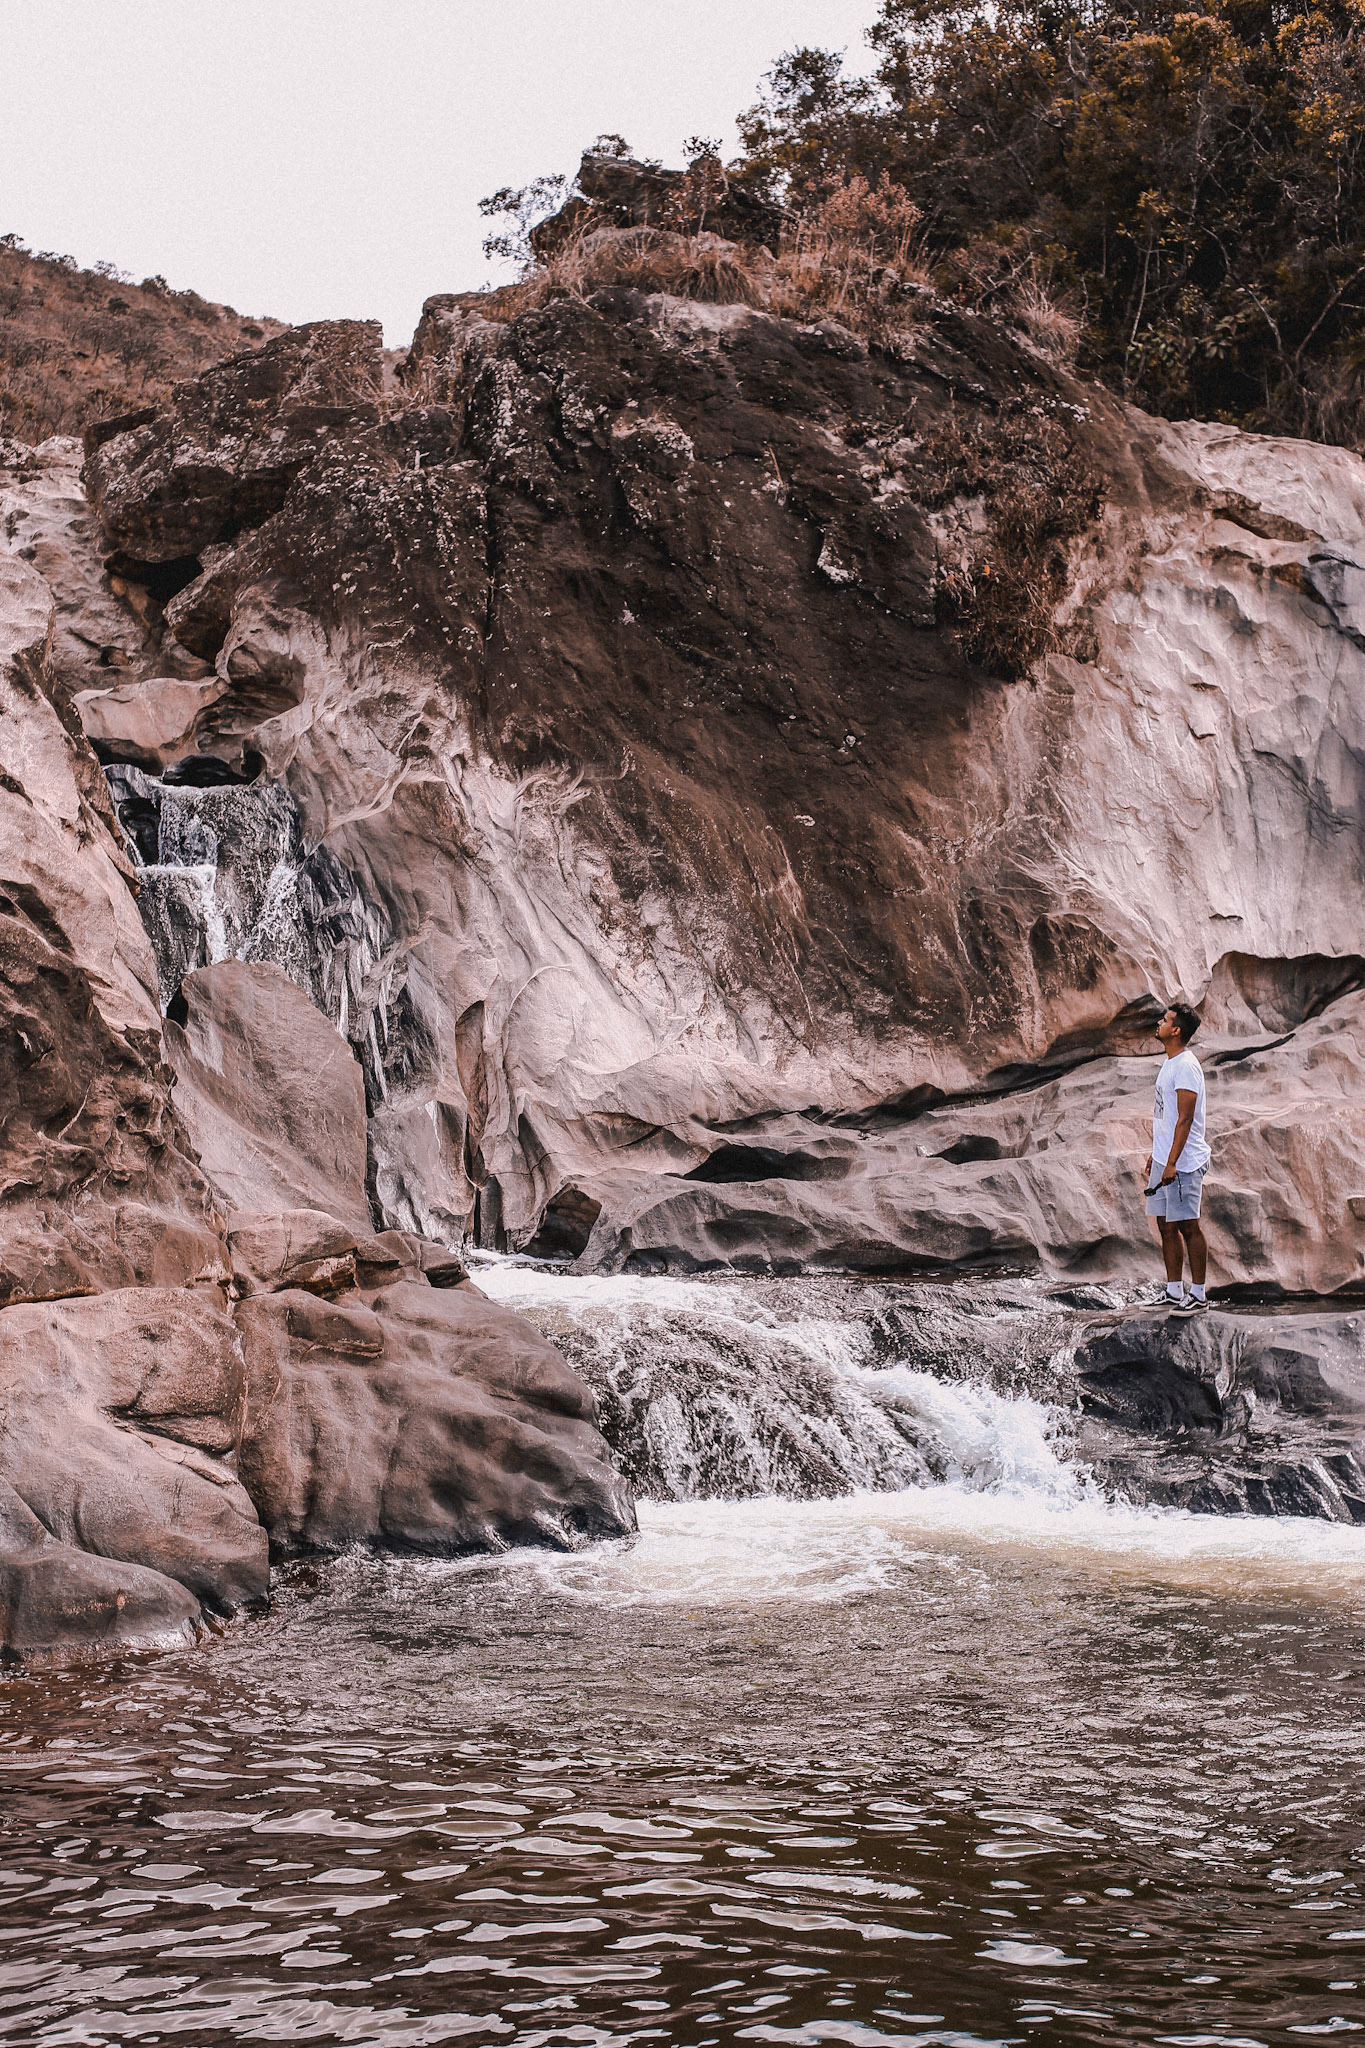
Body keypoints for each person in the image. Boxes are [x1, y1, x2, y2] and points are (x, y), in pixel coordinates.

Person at [1144, 1002, 1211, 1315]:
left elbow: (1185, 1119)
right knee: (1165, 1224)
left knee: (1188, 1225)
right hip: (1165, 1158)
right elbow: (1167, 1116)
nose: (1159, 1022)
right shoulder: (1170, 1062)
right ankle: (1173, 1291)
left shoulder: (1186, 1066)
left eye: (1165, 1020)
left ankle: (1198, 1295)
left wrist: (1172, 1163)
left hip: (1184, 1162)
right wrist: (1157, 1155)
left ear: (1176, 1030)